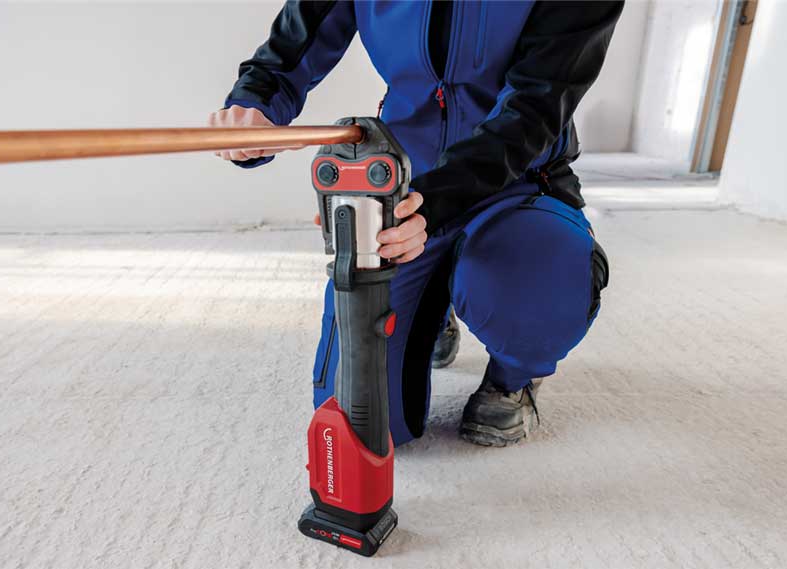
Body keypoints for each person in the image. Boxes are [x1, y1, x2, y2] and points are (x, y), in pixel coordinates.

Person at [211, 1, 619, 447]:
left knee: (537, 286)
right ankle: (434, 307)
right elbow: (291, 49)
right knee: (365, 426)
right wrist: (254, 107)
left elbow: (533, 109)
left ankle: (513, 379)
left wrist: (433, 204)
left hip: (517, 179)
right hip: (401, 179)